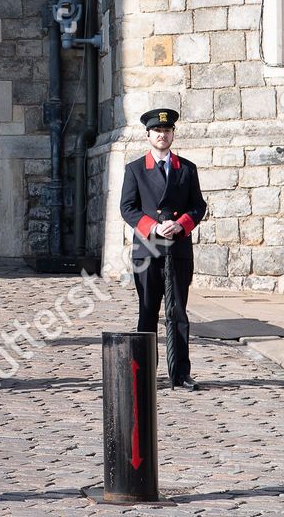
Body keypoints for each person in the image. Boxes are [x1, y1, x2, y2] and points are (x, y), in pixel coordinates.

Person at [120, 107, 207, 391]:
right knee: (148, 312)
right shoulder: (135, 169)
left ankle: (180, 373)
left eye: (167, 131)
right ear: (148, 135)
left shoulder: (187, 168)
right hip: (148, 250)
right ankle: (144, 374)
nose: (162, 135)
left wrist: (181, 224)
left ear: (172, 135)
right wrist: (154, 227)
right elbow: (128, 208)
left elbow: (198, 206)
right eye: (157, 131)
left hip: (178, 249)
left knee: (178, 312)